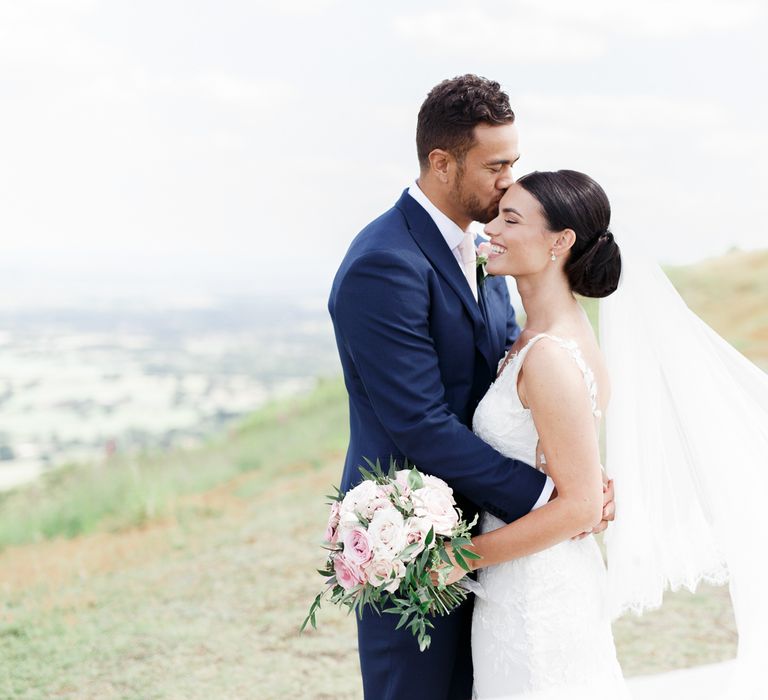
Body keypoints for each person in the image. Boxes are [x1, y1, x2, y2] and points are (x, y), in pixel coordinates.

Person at [327, 76, 615, 700]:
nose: (510, 180)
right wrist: (554, 498)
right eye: (496, 165)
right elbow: (420, 423)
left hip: (495, 539)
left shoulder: (484, 249)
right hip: (413, 545)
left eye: (514, 161)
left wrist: (580, 482)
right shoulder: (386, 262)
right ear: (441, 162)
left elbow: (509, 387)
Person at [438, 170, 768, 699]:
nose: (489, 229)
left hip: (538, 598)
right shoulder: (539, 334)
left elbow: (581, 508)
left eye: (511, 219)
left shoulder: (550, 355)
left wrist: (460, 559)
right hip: (525, 581)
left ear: (560, 242)